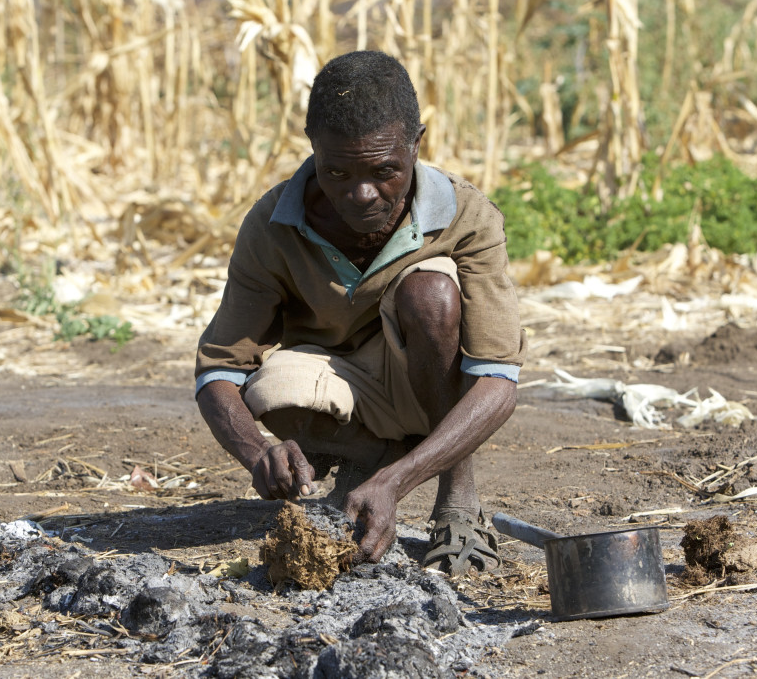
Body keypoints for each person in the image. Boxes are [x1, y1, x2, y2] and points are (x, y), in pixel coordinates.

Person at [194, 50, 526, 576]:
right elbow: (218, 369)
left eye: (385, 170)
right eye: (337, 172)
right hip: (339, 388)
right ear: (312, 148)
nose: (361, 193)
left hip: (428, 384)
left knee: (431, 296)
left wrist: (401, 481)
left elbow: (497, 377)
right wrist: (257, 452)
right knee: (268, 390)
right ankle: (367, 456)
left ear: (417, 143)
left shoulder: (466, 216)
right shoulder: (274, 222)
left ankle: (456, 497)